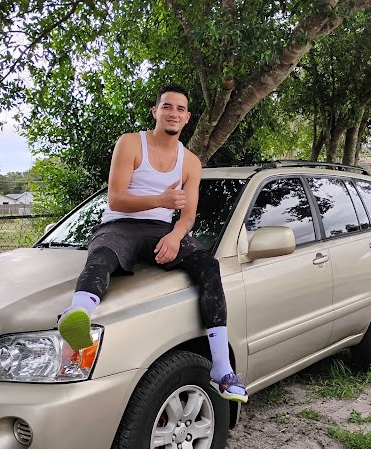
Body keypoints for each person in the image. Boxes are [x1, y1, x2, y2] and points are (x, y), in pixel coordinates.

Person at [58, 83, 247, 403]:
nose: (173, 113)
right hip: (120, 224)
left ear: (187, 117)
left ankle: (222, 369)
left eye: (180, 109)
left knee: (208, 264)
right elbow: (116, 199)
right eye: (167, 106)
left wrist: (175, 236)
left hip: (161, 230)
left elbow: (188, 216)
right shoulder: (131, 143)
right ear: (155, 111)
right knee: (103, 255)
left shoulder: (190, 162)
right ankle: (77, 317)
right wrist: (160, 199)